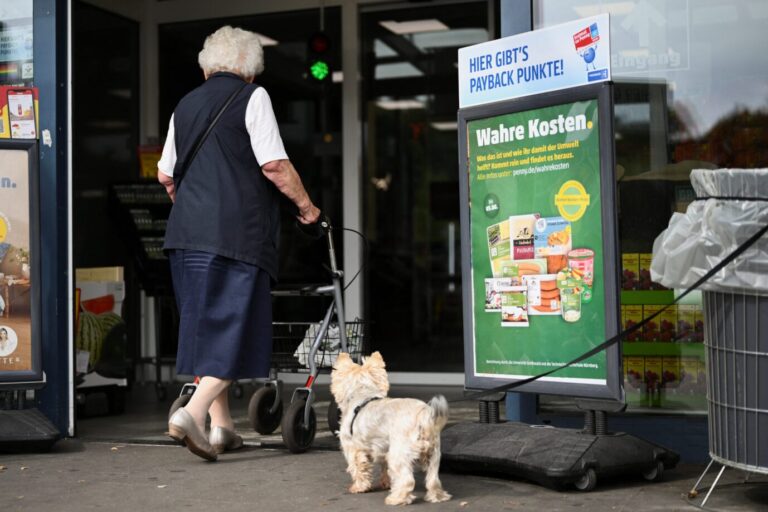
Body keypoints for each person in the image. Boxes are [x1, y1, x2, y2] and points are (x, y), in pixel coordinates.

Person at [157, 25, 320, 461]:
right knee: (235, 325)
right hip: (235, 236)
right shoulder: (254, 97)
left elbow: (166, 174)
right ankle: (191, 412)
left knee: (205, 326)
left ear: (209, 66)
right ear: (250, 69)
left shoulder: (185, 104)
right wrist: (307, 208)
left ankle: (223, 428)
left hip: (185, 236)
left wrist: (196, 206)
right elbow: (274, 165)